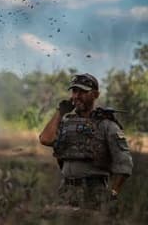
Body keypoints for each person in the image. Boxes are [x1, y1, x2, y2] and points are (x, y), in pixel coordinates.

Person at [37, 72, 133, 210]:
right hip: (66, 190)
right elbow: (45, 139)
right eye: (75, 91)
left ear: (95, 95)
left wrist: (113, 193)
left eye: (82, 92)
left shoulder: (107, 125)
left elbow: (124, 164)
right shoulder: (66, 122)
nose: (76, 96)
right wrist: (60, 112)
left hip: (94, 191)